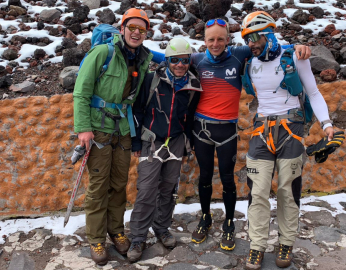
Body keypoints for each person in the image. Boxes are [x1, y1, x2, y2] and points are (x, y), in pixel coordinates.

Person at [151, 19, 311, 251]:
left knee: (227, 178)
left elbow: (270, 46)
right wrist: (139, 49)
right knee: (204, 176)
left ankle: (228, 224)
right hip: (201, 129)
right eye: (210, 40)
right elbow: (165, 57)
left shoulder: (239, 54)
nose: (215, 44)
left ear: (228, 39)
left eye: (220, 39)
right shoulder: (197, 59)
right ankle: (205, 218)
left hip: (227, 130)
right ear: (204, 41)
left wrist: (296, 45)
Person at [240, 11, 334, 269]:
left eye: (255, 37)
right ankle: (257, 245)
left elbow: (313, 92)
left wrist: (327, 123)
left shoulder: (294, 55)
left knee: (287, 191)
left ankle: (286, 242)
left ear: (269, 33)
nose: (251, 43)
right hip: (261, 130)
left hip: (290, 129)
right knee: (257, 191)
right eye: (247, 39)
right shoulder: (249, 59)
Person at [72, 8, 153, 266]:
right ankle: (96, 237)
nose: (136, 33)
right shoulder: (103, 53)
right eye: (132, 28)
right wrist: (83, 128)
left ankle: (116, 230)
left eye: (142, 29)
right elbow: (81, 92)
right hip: (98, 130)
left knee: (119, 185)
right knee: (98, 187)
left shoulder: (141, 58)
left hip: (124, 131)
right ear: (122, 28)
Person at [126, 38, 202, 262]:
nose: (180, 65)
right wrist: (137, 143)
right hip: (151, 141)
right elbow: (138, 111)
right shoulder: (152, 80)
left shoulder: (192, 86)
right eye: (175, 60)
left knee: (169, 188)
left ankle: (161, 228)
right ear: (167, 60)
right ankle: (138, 237)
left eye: (185, 60)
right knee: (147, 190)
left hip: (177, 142)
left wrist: (188, 142)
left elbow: (189, 117)